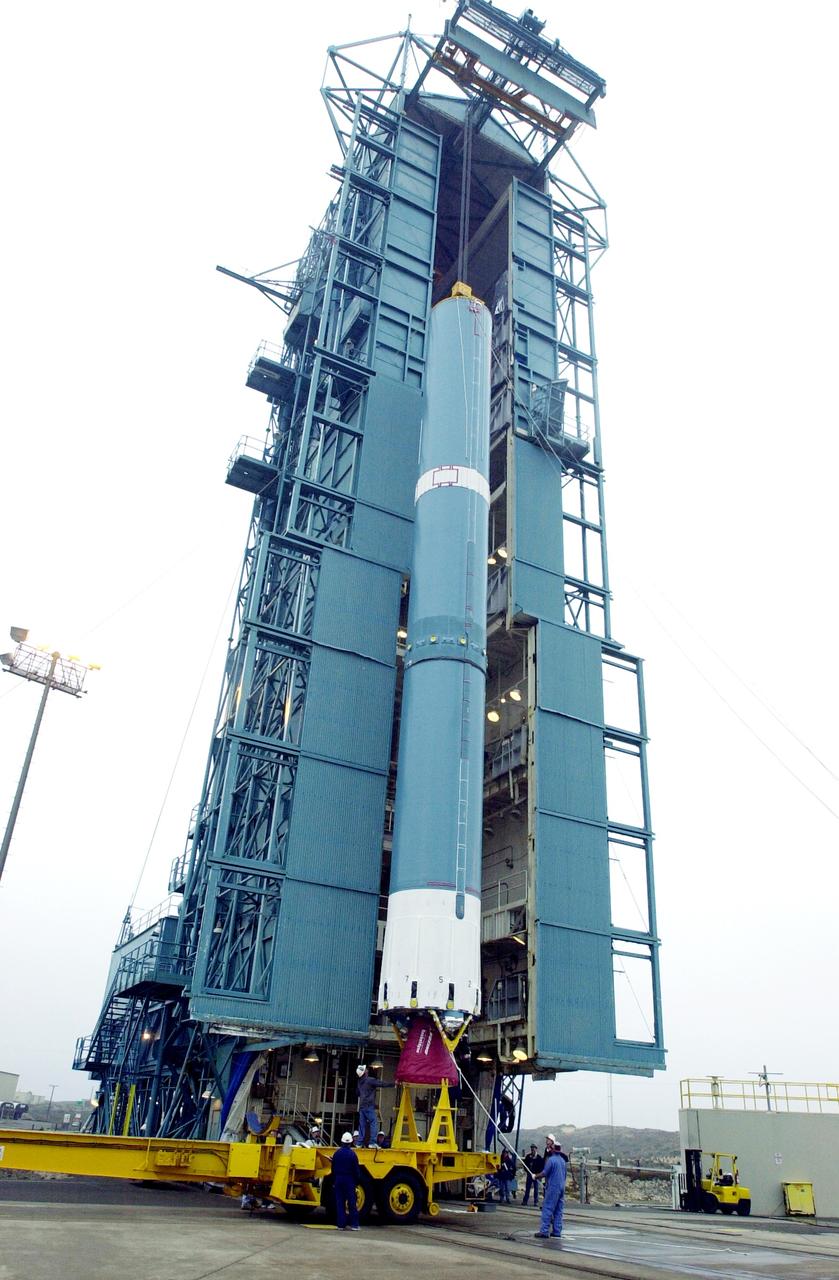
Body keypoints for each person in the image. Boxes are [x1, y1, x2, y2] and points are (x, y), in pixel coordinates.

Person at [534, 1134, 567, 1239]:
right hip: (562, 1187)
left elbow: (544, 1173)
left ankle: (544, 1231)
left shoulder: (551, 1160)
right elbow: (565, 1175)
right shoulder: (562, 1161)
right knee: (558, 1210)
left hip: (553, 1187)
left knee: (547, 1208)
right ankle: (557, 1231)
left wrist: (535, 1176)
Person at [356, 1064, 393, 1148]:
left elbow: (357, 1093)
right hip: (369, 1106)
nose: (367, 1070)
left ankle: (359, 1143)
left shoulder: (359, 1082)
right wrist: (393, 1084)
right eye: (366, 1069)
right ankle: (372, 1142)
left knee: (362, 1124)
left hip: (362, 1106)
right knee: (374, 1122)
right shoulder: (369, 1080)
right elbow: (381, 1084)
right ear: (364, 1072)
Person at [331, 1131, 361, 1230]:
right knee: (352, 1202)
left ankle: (341, 1225)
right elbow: (356, 1170)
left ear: (342, 1142)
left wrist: (334, 1181)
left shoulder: (336, 1154)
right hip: (349, 1180)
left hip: (338, 1179)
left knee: (340, 1203)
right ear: (350, 1142)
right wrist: (356, 1182)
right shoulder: (353, 1154)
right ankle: (354, 1225)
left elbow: (333, 1168)